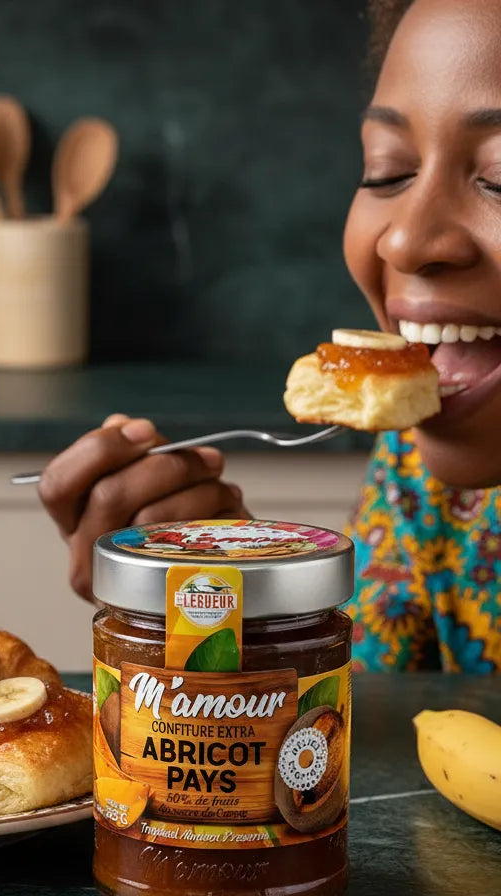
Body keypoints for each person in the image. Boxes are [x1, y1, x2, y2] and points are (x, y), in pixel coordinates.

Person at [37, 0, 501, 673]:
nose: (404, 239)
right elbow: (349, 709)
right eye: (388, 172)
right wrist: (232, 601)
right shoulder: (420, 475)